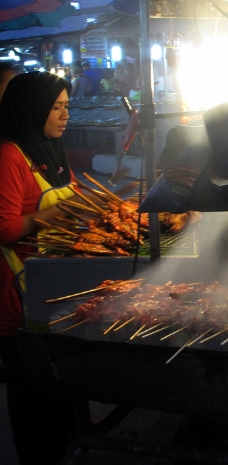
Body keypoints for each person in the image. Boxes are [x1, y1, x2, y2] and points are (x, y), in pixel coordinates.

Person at [0, 71, 78, 465]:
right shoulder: (9, 155)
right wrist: (56, 213)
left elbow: (74, 195)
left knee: (62, 383)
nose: (64, 116)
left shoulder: (49, 150)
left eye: (66, 107)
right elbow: (4, 227)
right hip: (18, 293)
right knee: (32, 389)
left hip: (54, 288)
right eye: (55, 107)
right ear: (32, 109)